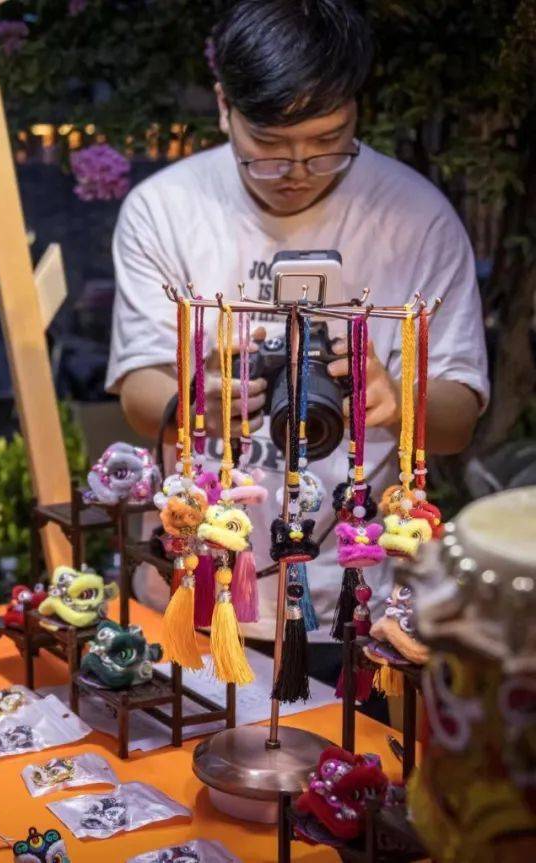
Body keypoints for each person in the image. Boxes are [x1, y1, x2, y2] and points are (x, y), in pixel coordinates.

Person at [107, 0, 488, 686]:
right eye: (269, 146)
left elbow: (458, 417)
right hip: (197, 582)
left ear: (357, 109)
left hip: (356, 597)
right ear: (224, 106)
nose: (299, 169)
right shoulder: (166, 209)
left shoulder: (418, 218)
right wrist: (196, 398)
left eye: (328, 140)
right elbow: (138, 388)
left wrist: (395, 401)